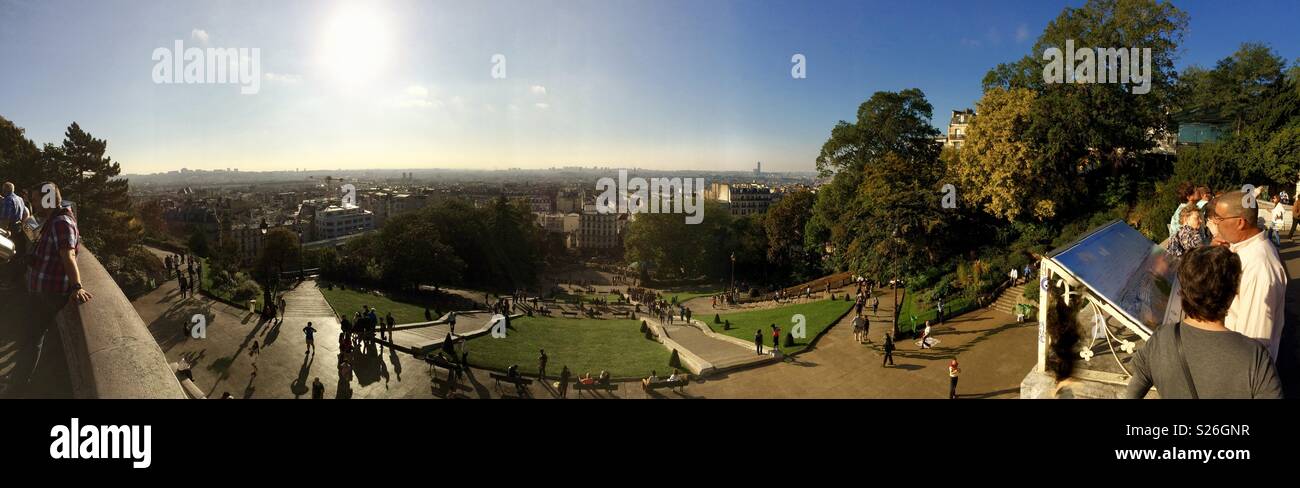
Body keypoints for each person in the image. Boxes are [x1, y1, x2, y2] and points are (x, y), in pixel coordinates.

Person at [1124, 246, 1282, 399]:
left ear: (1182, 291)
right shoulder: (1255, 356)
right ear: (1233, 294)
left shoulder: (1160, 340)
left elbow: (1133, 390)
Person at [1207, 191, 1288, 360]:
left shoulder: (1259, 267)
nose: (1215, 224)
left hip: (1242, 372)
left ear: (1240, 222)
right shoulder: (1243, 251)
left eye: (1219, 219)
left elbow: (1253, 341)